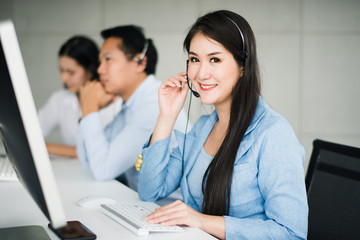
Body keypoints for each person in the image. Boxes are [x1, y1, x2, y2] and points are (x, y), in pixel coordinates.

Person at [138, 10, 308, 239]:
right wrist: (166, 116)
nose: (201, 73)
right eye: (194, 59)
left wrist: (201, 221)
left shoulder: (273, 134)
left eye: (215, 59)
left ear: (242, 66)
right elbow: (150, 190)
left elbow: (291, 233)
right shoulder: (203, 127)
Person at [76, 25, 189, 191]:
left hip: (164, 208)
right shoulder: (128, 105)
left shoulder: (154, 105)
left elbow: (103, 170)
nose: (100, 70)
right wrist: (88, 110)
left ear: (140, 62)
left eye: (108, 59)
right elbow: (87, 160)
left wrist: (90, 106)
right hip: (140, 203)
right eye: (100, 62)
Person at [38, 36, 121, 158]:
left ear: (91, 69)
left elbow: (96, 153)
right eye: (61, 70)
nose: (64, 78)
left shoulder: (114, 102)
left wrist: (43, 147)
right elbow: (30, 132)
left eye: (71, 72)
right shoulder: (60, 99)